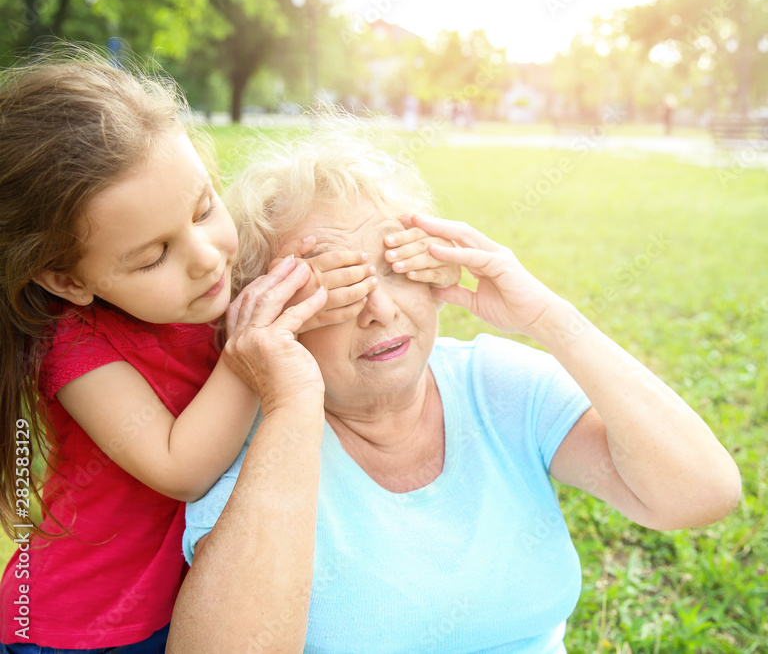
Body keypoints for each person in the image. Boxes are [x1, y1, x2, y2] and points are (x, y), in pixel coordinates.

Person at [167, 125, 743, 652]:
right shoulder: (244, 443)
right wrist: (291, 400)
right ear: (268, 312)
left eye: (397, 268)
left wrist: (547, 316)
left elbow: (700, 493)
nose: (381, 310)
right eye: (337, 289)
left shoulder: (494, 384)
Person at [0, 54, 453, 652]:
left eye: (204, 208)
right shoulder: (76, 346)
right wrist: (254, 350)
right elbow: (180, 469)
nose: (208, 257)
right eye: (152, 255)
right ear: (67, 279)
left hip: (196, 600)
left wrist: (322, 280)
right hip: (87, 625)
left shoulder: (204, 292)